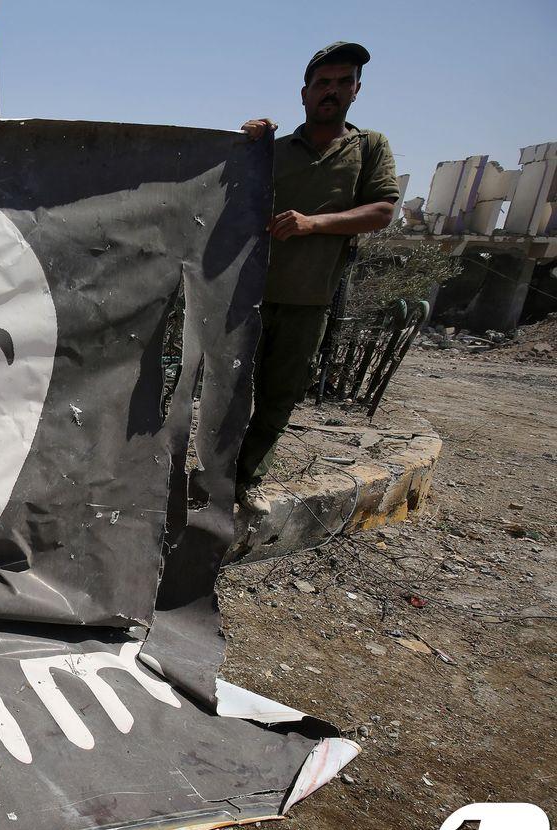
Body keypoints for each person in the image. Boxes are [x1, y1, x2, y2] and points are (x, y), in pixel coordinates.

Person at [237, 41, 399, 512]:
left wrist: (314, 223)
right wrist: (248, 139)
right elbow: (229, 192)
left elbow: (383, 210)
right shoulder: (276, 150)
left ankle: (244, 480)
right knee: (228, 395)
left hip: (309, 299)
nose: (331, 91)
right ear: (303, 94)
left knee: (278, 397)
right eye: (322, 83)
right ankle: (210, 474)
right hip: (247, 295)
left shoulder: (368, 147)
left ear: (356, 90)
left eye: (342, 82)